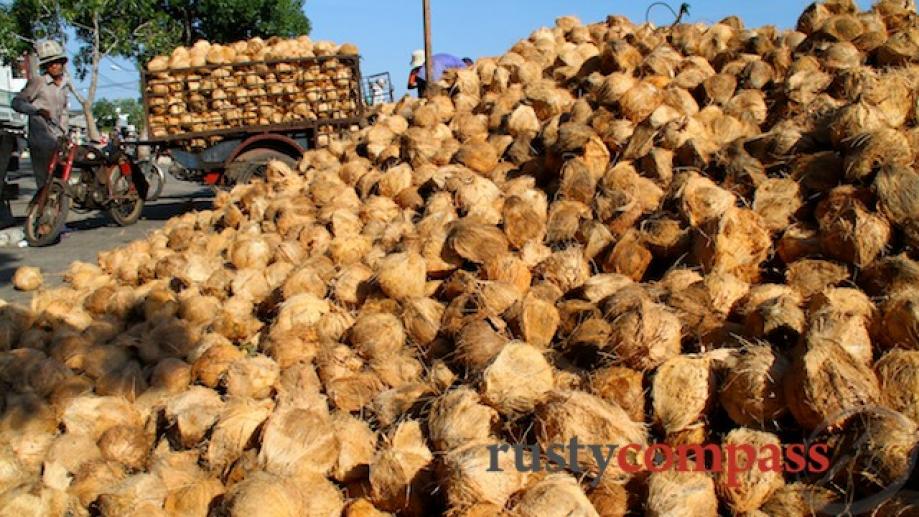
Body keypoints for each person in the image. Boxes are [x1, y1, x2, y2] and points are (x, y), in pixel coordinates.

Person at [12, 40, 70, 192]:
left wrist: (65, 133)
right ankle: (42, 213)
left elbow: (64, 112)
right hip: (40, 142)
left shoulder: (64, 84)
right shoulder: (38, 81)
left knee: (61, 181)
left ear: (62, 63)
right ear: (46, 66)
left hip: (58, 141)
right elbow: (16, 102)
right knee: (44, 183)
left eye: (57, 62)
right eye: (50, 63)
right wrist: (36, 111)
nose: (54, 66)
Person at [407, 50, 472, 97]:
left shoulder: (417, 70)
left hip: (425, 78)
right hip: (435, 78)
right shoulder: (463, 67)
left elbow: (410, 85)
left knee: (424, 99)